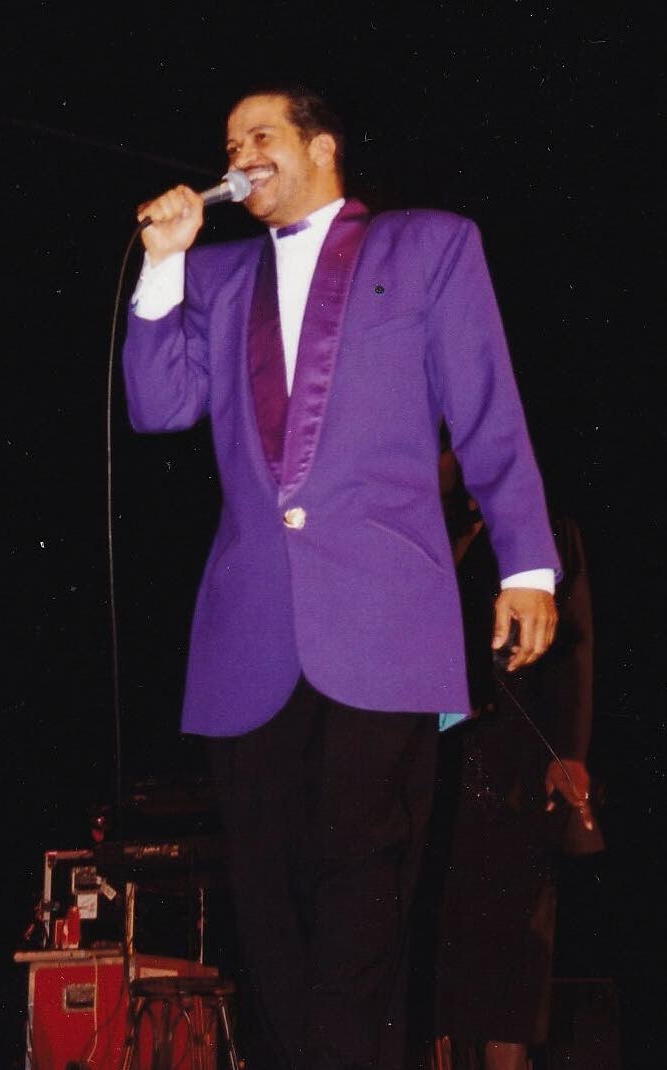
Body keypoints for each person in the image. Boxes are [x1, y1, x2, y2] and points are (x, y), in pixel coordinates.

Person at [121, 85, 560, 1070]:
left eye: (260, 135)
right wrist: (161, 264)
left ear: (321, 148)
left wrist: (525, 560)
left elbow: (487, 407)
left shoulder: (428, 247)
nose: (240, 152)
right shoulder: (220, 275)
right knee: (269, 907)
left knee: (361, 885)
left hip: (380, 623)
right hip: (248, 635)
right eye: (229, 142)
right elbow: (158, 407)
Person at [423, 443, 602, 1070]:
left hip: (513, 773)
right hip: (432, 770)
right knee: (434, 959)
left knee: (510, 959)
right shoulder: (420, 528)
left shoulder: (541, 532)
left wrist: (570, 754)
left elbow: (574, 648)